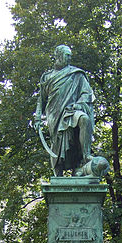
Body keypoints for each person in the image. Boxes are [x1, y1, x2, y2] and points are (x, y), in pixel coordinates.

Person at [34, 45, 95, 176]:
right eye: (67, 55)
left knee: (84, 119)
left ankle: (86, 156)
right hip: (54, 113)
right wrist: (38, 118)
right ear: (58, 55)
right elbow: (41, 99)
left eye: (70, 55)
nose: (69, 58)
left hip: (71, 110)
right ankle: (58, 172)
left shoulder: (76, 74)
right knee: (57, 142)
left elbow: (87, 93)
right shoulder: (47, 77)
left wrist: (79, 104)